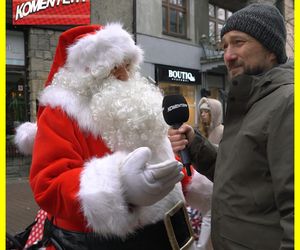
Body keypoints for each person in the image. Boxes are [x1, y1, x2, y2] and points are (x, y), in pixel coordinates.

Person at [14, 23, 213, 250]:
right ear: (89, 71)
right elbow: (48, 184)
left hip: (166, 234)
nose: (125, 75)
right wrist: (122, 187)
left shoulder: (136, 106)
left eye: (128, 66)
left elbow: (162, 161)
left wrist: (198, 186)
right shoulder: (61, 113)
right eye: (115, 67)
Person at [168, 4, 293, 250]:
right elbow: (238, 176)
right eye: (224, 45)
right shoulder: (250, 101)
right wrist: (195, 144)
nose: (228, 55)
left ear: (271, 50)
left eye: (239, 42)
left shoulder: (288, 102)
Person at [189, 97, 223, 250]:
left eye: (207, 112)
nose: (203, 114)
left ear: (214, 113)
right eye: (201, 111)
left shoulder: (222, 131)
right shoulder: (200, 131)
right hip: (200, 182)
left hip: (214, 181)